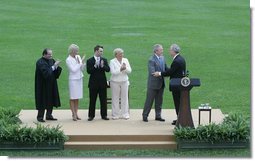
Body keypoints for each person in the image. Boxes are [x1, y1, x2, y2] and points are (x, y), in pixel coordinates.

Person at [153, 44, 186, 125]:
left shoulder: (176, 61)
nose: (169, 51)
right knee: (179, 102)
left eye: (170, 50)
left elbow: (171, 72)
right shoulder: (181, 58)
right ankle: (180, 118)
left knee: (177, 102)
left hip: (176, 85)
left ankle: (180, 120)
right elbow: (172, 70)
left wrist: (160, 73)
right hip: (180, 84)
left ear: (174, 51)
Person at [35, 48, 62, 122]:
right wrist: (54, 66)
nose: (51, 55)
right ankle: (40, 117)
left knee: (51, 99)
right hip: (43, 85)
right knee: (42, 100)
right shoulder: (40, 62)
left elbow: (55, 73)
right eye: (49, 54)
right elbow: (46, 73)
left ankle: (49, 115)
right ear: (44, 54)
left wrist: (56, 66)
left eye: (51, 54)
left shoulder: (51, 60)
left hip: (51, 84)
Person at [142, 44, 167, 122]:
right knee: (149, 101)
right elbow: (152, 72)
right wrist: (162, 74)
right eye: (161, 50)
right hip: (153, 85)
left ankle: (158, 116)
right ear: (156, 51)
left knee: (159, 101)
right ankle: (145, 115)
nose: (162, 51)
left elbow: (166, 68)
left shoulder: (163, 58)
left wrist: (171, 72)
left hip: (161, 84)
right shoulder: (151, 60)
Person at [86, 45, 110, 121]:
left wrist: (103, 66)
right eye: (100, 51)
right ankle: (91, 116)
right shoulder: (90, 60)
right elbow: (89, 71)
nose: (102, 53)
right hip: (93, 84)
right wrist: (95, 66)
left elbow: (108, 70)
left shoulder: (104, 60)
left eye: (102, 51)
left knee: (103, 100)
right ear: (96, 51)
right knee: (92, 100)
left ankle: (104, 115)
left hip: (102, 83)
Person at [109, 48, 132, 120]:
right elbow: (113, 72)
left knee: (124, 98)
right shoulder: (112, 61)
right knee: (115, 98)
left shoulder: (125, 60)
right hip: (115, 82)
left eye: (122, 53)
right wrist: (120, 69)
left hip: (124, 81)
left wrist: (125, 68)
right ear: (116, 54)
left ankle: (125, 114)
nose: (121, 55)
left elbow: (129, 71)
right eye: (120, 54)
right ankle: (115, 114)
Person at [66, 44, 86, 121]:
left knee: (77, 97)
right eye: (76, 51)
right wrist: (80, 63)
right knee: (72, 97)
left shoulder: (78, 57)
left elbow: (81, 69)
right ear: (72, 51)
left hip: (79, 78)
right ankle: (73, 113)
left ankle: (76, 113)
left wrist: (83, 63)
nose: (77, 52)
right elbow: (73, 70)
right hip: (73, 80)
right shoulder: (68, 59)